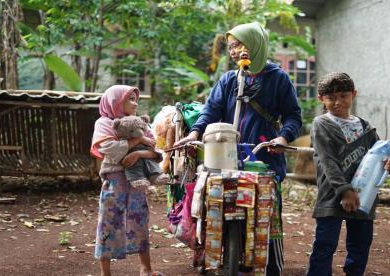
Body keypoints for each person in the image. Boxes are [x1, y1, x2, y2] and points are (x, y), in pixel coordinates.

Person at [175, 22, 302, 275]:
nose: (233, 51)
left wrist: (283, 139)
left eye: (239, 45)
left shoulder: (278, 78)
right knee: (216, 204)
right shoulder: (228, 80)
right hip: (224, 155)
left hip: (263, 155)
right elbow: (210, 111)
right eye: (231, 46)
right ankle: (212, 256)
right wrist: (194, 133)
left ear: (255, 45)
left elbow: (293, 116)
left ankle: (271, 266)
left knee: (267, 211)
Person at [307, 72, 390, 276]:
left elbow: (379, 155)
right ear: (321, 99)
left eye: (343, 95)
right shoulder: (321, 124)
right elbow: (328, 162)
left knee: (360, 245)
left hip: (364, 195)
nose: (337, 102)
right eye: (330, 97)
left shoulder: (365, 127)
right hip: (333, 194)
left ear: (353, 94)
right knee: (325, 245)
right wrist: (344, 191)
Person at [90, 85, 163, 276]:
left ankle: (146, 269)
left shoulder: (140, 123)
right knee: (108, 222)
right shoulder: (104, 123)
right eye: (129, 99)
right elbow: (111, 149)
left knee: (140, 219)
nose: (135, 103)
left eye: (135, 98)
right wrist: (138, 141)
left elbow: (155, 152)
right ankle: (105, 273)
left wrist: (138, 153)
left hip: (137, 180)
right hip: (114, 181)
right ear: (115, 102)